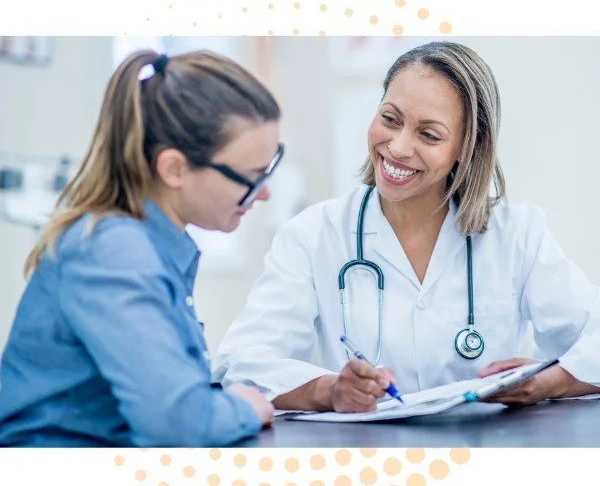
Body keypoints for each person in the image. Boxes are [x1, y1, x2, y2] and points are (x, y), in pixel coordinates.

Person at [213, 41, 600, 414]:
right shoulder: (313, 236)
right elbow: (242, 361)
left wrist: (550, 382)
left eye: (429, 135)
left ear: (467, 147)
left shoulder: (517, 233)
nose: (398, 147)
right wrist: (329, 389)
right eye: (389, 119)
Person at [0, 49, 282, 446]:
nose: (265, 193)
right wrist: (242, 407)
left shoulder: (150, 246)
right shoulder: (112, 253)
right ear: (174, 169)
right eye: (251, 177)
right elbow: (176, 422)